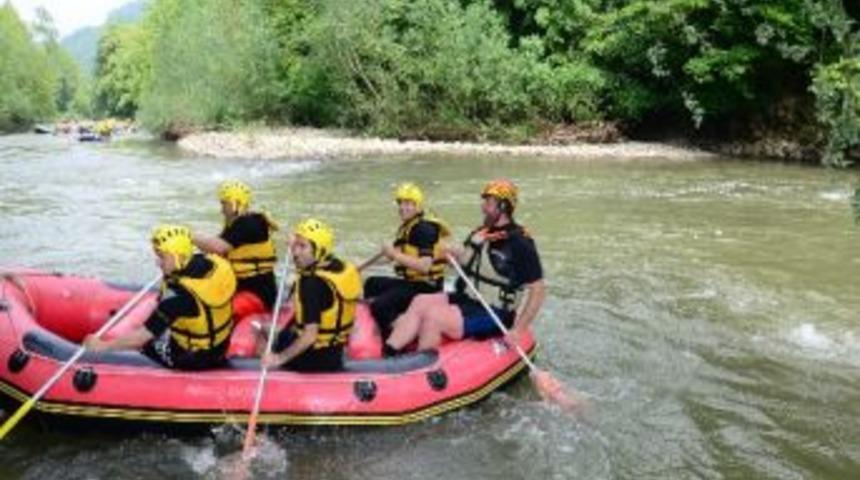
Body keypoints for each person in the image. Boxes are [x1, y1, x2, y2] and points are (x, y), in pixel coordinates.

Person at [382, 179, 546, 355]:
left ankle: (418, 369)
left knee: (434, 318)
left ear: (504, 207)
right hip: (469, 298)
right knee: (420, 301)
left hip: (495, 312)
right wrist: (451, 256)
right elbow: (469, 265)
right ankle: (390, 352)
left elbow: (538, 289)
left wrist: (519, 329)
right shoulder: (481, 233)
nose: (483, 207)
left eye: (489, 203)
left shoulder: (520, 242)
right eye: (484, 201)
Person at [84, 225, 237, 370]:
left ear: (178, 256)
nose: (158, 262)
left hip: (193, 358)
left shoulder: (178, 296)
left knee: (144, 346)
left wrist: (102, 346)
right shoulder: (213, 263)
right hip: (221, 346)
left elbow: (141, 337)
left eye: (162, 257)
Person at [262, 218, 362, 372]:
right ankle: (275, 335)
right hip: (335, 351)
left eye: (302, 247)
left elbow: (310, 336)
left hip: (315, 360)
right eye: (296, 246)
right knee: (283, 333)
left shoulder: (310, 284)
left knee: (268, 341)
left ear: (319, 250)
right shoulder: (338, 266)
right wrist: (296, 242)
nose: (295, 252)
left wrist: (278, 359)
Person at [362, 182, 450, 340]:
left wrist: (394, 255)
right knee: (371, 283)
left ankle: (400, 334)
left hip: (428, 287)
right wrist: (360, 266)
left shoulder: (424, 229)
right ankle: (383, 324)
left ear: (418, 206)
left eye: (409, 203)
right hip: (412, 283)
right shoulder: (408, 227)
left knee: (380, 305)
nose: (403, 207)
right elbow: (389, 256)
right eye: (401, 203)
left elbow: (425, 266)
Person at [192, 180, 279, 320]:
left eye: (223, 203)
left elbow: (218, 247)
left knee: (217, 315)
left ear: (234, 203)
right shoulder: (237, 223)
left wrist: (189, 236)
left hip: (257, 294)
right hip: (238, 287)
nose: (221, 209)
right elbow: (214, 250)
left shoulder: (248, 224)